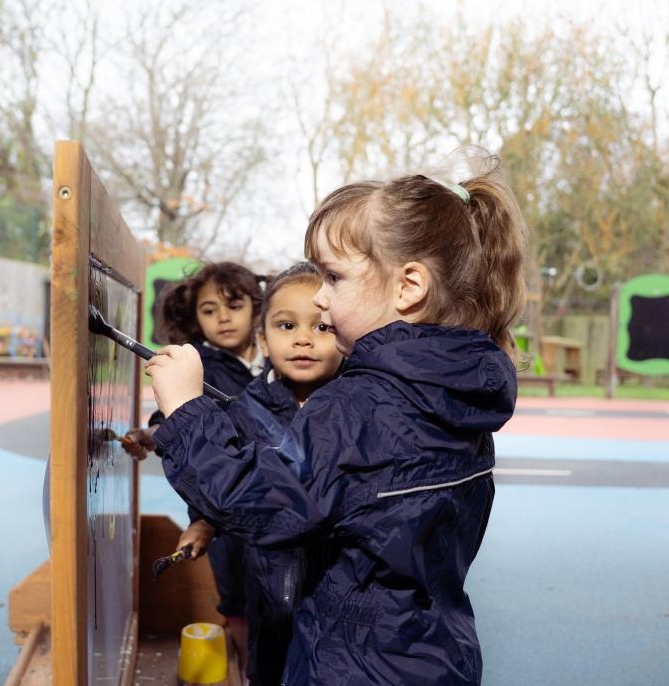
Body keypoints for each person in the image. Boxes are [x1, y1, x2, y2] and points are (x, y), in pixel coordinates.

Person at [145, 148, 527, 685]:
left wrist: (185, 409)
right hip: (436, 650)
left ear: (408, 286)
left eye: (334, 277)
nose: (321, 298)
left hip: (354, 663)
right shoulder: (453, 389)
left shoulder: (361, 406)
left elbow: (261, 503)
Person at [123, 261, 266, 672]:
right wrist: (150, 434)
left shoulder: (280, 356)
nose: (223, 317)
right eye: (209, 310)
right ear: (194, 317)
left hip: (277, 497)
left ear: (256, 309)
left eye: (234, 305)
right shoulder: (198, 363)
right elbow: (174, 412)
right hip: (220, 510)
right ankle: (246, 670)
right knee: (236, 597)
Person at [222, 262, 344, 685]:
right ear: (263, 339)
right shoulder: (245, 408)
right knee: (269, 665)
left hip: (338, 583)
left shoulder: (356, 403)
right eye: (287, 325)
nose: (303, 339)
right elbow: (226, 478)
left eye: (322, 327)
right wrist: (203, 523)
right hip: (266, 580)